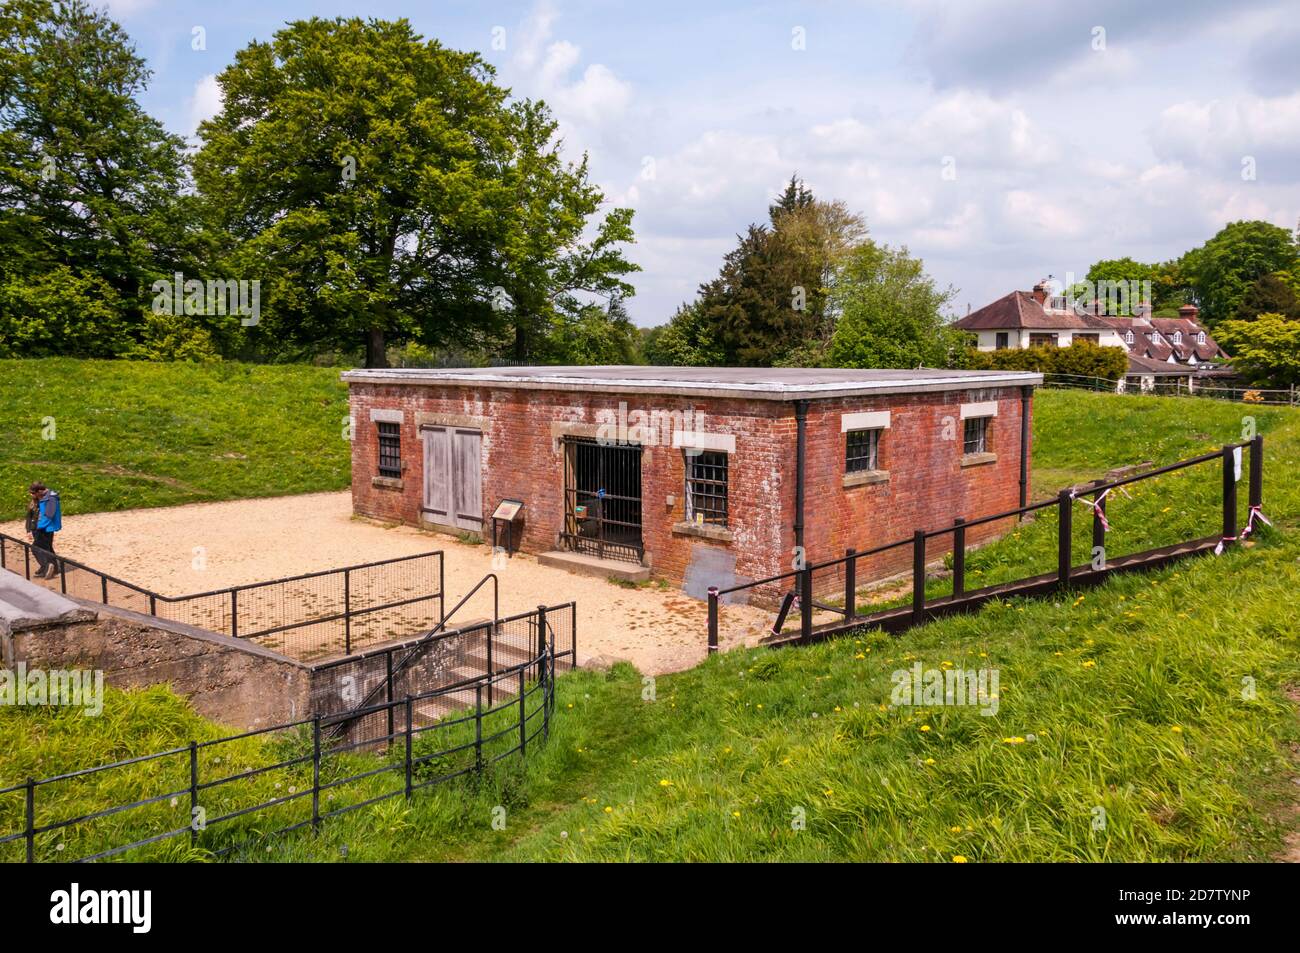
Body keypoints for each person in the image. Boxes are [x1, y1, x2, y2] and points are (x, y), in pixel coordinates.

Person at [28, 481, 62, 579]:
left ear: (39, 491)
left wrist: (39, 527)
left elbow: (49, 515)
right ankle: (54, 568)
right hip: (45, 527)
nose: (32, 495)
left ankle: (46, 566)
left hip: (45, 528)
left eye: (33, 493)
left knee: (35, 548)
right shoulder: (45, 497)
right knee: (47, 547)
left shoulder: (51, 499)